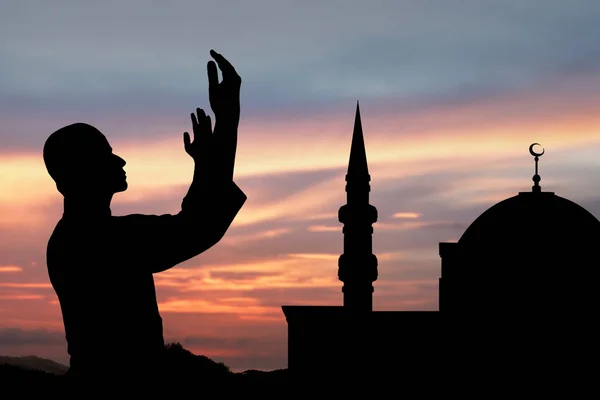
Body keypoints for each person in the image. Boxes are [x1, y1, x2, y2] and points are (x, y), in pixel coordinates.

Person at [43, 50, 245, 388]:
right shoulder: (102, 240)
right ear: (79, 170)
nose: (120, 160)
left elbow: (192, 223)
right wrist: (227, 120)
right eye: (105, 154)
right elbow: (198, 226)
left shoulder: (74, 238)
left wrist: (207, 164)